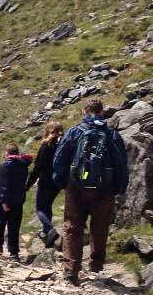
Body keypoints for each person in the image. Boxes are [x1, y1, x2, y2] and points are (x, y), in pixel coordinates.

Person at [52, 99, 129, 285]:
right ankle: (96, 264)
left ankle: (71, 270)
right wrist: (119, 188)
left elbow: (59, 160)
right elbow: (121, 164)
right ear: (102, 112)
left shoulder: (74, 132)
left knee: (73, 226)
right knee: (100, 227)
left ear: (83, 111)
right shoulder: (112, 135)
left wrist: (64, 183)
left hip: (76, 188)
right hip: (105, 190)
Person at [27, 121, 63, 247]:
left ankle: (50, 229)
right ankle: (47, 234)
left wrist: (28, 184)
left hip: (45, 181)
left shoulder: (46, 146)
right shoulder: (63, 145)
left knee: (40, 208)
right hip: (57, 182)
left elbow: (37, 168)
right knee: (47, 206)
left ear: (47, 131)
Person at [0, 142, 33, 260]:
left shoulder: (5, 165)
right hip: (18, 200)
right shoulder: (23, 164)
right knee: (14, 226)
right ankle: (14, 252)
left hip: (5, 200)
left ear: (7, 153)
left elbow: (4, 184)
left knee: (1, 222)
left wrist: (4, 201)